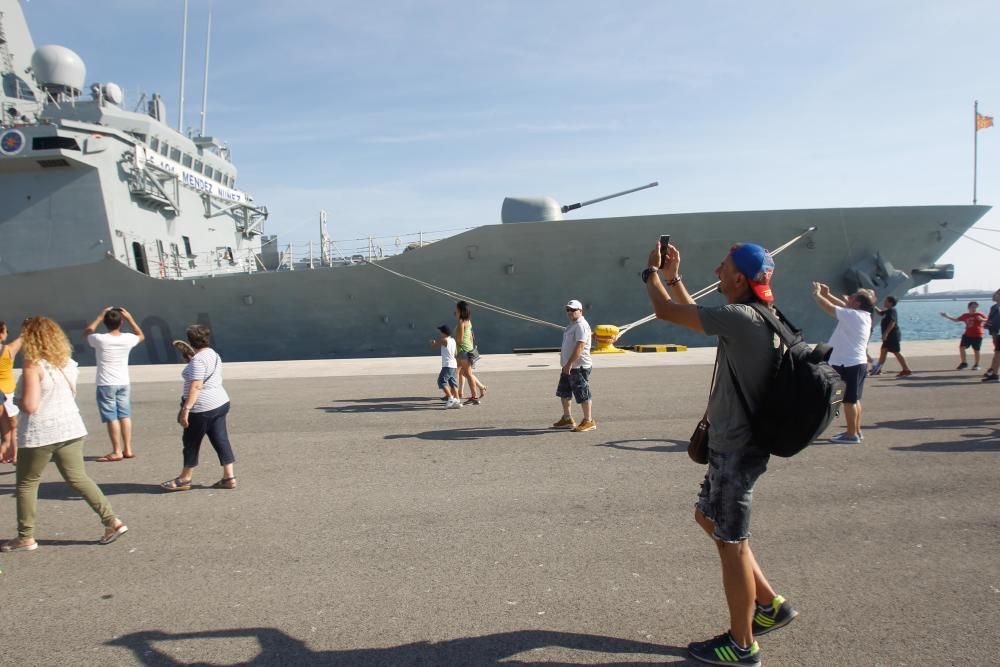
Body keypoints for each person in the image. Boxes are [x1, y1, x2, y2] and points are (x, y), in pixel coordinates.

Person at [643, 241, 795, 666]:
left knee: (732, 544)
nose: (716, 270)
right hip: (741, 445)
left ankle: (742, 645)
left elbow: (667, 312)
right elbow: (699, 319)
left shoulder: (739, 317)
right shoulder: (756, 314)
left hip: (737, 449)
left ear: (740, 279)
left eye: (723, 267)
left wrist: (649, 274)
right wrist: (674, 278)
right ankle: (770, 605)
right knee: (707, 518)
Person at [1, 317, 127, 552]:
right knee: (78, 478)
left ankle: (25, 536)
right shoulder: (66, 362)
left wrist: (17, 398)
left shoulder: (32, 365)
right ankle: (112, 521)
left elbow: (30, 406)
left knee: (27, 483)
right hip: (71, 427)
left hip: (41, 433)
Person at [161, 324, 237, 491]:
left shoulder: (197, 360)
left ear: (190, 340)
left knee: (191, 443)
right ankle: (229, 477)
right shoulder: (213, 354)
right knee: (220, 439)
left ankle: (185, 478)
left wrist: (186, 409)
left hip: (202, 408)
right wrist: (190, 361)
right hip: (220, 402)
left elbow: (196, 386)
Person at [812, 284, 874, 444]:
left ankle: (851, 434)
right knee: (855, 400)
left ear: (858, 303)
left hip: (848, 363)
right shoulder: (862, 315)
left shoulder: (853, 315)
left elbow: (830, 308)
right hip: (857, 362)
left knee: (848, 401)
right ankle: (856, 431)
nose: (848, 298)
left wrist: (818, 294)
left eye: (852, 297)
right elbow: (842, 306)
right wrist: (829, 293)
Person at [85, 306, 145, 461]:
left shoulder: (99, 339)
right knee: (125, 415)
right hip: (123, 382)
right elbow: (141, 335)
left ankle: (117, 451)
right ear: (121, 322)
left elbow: (87, 332)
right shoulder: (128, 339)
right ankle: (128, 449)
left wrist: (99, 316)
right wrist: (130, 318)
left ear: (105, 322)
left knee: (112, 417)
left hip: (106, 383)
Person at [552, 299, 595, 432]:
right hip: (569, 366)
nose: (570, 312)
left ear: (580, 311)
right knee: (564, 392)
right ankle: (567, 418)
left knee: (582, 393)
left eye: (573, 310)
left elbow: (580, 346)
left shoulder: (581, 325)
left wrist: (569, 364)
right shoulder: (572, 324)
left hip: (578, 366)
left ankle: (589, 421)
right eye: (568, 310)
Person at [869, 296, 912, 377]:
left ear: (890, 303)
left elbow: (892, 322)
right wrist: (873, 305)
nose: (884, 302)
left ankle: (906, 369)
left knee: (896, 352)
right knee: (883, 351)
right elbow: (880, 313)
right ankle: (878, 369)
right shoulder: (887, 311)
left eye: (886, 301)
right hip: (888, 336)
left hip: (893, 335)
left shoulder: (892, 311)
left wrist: (886, 333)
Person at [454, 301, 486, 405]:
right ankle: (480, 388)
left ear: (461, 311)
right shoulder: (468, 321)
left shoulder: (461, 322)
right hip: (468, 350)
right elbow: (471, 337)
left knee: (467, 374)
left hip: (463, 352)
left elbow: (459, 339)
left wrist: (450, 341)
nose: (455, 311)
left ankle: (474, 397)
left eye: (457, 309)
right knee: (463, 373)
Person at [940, 302, 988, 371]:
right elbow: (956, 320)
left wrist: (982, 319)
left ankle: (976, 364)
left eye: (976, 307)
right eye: (972, 307)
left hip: (977, 335)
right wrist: (947, 316)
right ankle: (964, 363)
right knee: (962, 347)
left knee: (976, 350)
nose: (974, 309)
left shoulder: (979, 314)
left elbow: (988, 320)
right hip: (967, 335)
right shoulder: (965, 315)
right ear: (968, 308)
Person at [0, 321, 22, 465]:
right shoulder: (8, 350)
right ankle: (16, 456)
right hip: (6, 392)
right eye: (6, 331)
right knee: (14, 425)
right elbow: (23, 338)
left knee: (4, 427)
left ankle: (4, 451)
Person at [431, 325, 461, 408]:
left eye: (440, 332)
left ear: (443, 332)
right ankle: (457, 401)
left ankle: (451, 398)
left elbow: (434, 346)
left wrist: (433, 342)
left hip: (447, 365)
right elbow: (455, 354)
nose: (440, 333)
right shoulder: (453, 340)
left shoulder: (444, 340)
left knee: (441, 381)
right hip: (454, 365)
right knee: (453, 383)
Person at [982, 289, 1000, 382]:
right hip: (996, 333)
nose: (995, 295)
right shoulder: (994, 307)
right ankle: (993, 372)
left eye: (997, 294)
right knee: (997, 354)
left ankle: (995, 374)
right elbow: (991, 321)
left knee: (997, 354)